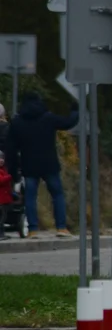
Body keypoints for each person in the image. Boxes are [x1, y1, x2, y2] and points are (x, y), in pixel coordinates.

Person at [4, 93, 79, 237]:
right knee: (57, 195)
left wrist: (13, 171)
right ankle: (61, 228)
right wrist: (75, 110)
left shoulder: (18, 122)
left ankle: (32, 229)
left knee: (31, 197)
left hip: (29, 165)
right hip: (49, 164)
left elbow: (10, 150)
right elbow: (68, 122)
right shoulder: (48, 118)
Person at [0, 151, 12, 241]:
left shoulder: (4, 170)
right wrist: (9, 177)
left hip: (5, 199)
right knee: (1, 218)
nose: (1, 160)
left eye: (2, 158)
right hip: (1, 200)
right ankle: (1, 234)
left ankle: (3, 233)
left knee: (3, 218)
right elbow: (1, 181)